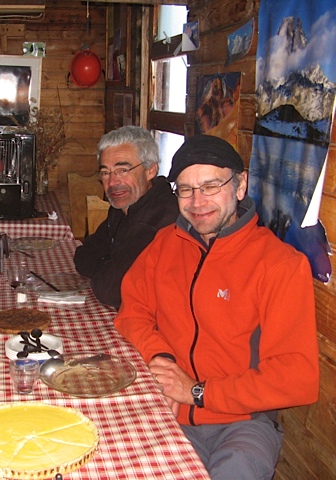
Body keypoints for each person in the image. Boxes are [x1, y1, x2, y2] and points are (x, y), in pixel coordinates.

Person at [114, 135, 319, 479]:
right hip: (169, 411)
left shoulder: (280, 264)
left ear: (240, 185)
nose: (197, 202)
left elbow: (297, 379)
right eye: (186, 189)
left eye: (210, 186)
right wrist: (162, 361)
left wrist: (196, 392)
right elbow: (131, 311)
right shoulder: (166, 242)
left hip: (242, 424)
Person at [73, 126, 179, 309]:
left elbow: (111, 290)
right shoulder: (124, 206)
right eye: (106, 173)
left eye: (123, 170)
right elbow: (83, 256)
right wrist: (109, 265)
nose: (113, 183)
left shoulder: (158, 219)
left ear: (151, 170)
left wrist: (108, 266)